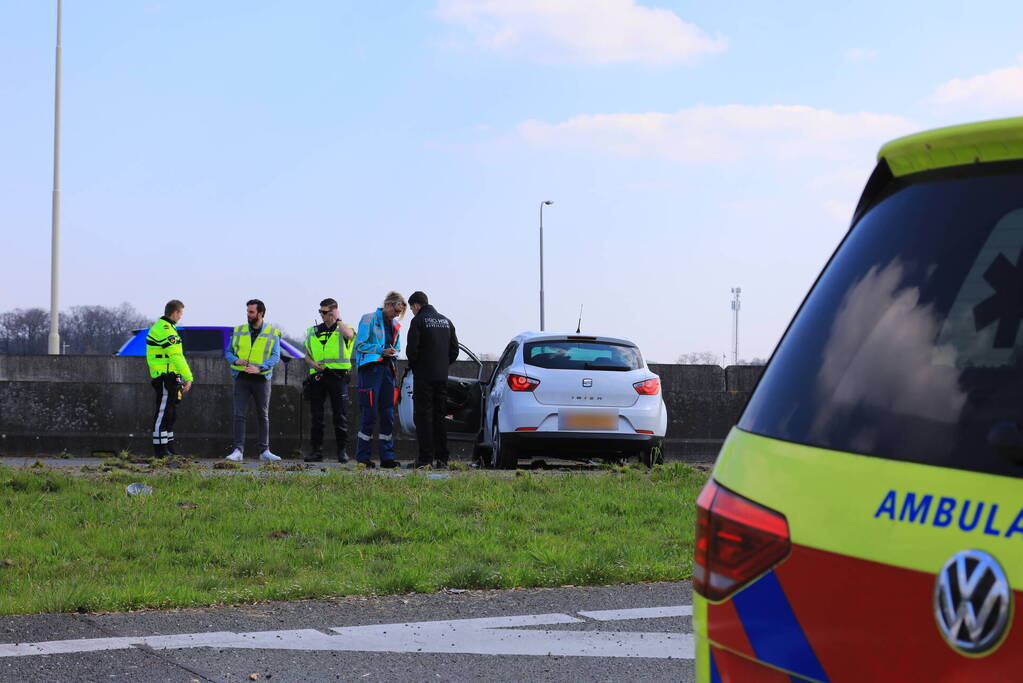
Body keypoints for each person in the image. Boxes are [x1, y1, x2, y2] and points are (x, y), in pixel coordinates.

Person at [405, 291, 459, 469]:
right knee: (440, 417)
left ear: (415, 306)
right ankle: (442, 459)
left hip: (424, 377)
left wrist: (418, 367)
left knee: (423, 417)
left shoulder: (418, 321)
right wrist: (442, 365)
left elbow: (411, 351)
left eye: (412, 308)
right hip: (441, 377)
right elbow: (454, 352)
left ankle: (425, 459)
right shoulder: (447, 321)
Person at [224, 299, 282, 462]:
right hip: (241, 378)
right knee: (239, 415)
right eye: (247, 311)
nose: (248, 315)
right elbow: (228, 352)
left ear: (260, 313)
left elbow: (275, 356)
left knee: (263, 415)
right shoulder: (238, 331)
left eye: (251, 312)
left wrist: (260, 367)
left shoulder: (272, 333)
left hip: (262, 379)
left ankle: (264, 451)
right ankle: (238, 450)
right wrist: (236, 361)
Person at [353, 291, 406, 468]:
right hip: (370, 370)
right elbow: (359, 344)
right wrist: (380, 350)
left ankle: (387, 457)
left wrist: (393, 351)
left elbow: (397, 347)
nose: (397, 315)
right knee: (369, 413)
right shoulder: (368, 319)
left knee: (388, 414)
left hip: (387, 371)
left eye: (399, 313)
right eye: (396, 311)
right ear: (389, 305)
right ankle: (362, 457)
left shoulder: (396, 325)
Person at [303, 298, 355, 463]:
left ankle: (342, 452)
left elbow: (349, 335)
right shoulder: (313, 331)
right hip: (318, 376)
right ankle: (316, 452)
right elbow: (307, 355)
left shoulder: (344, 329)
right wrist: (312, 364)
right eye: (320, 311)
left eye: (325, 312)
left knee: (340, 415)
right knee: (316, 416)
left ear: (333, 311)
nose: (321, 314)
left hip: (337, 376)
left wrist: (339, 319)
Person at [145, 299, 193, 458]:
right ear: (175, 313)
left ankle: (169, 449)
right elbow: (176, 355)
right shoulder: (165, 329)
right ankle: (160, 451)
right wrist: (188, 377)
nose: (181, 317)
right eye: (180, 313)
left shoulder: (168, 328)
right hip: (164, 377)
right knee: (163, 414)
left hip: (170, 376)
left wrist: (179, 376)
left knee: (170, 414)